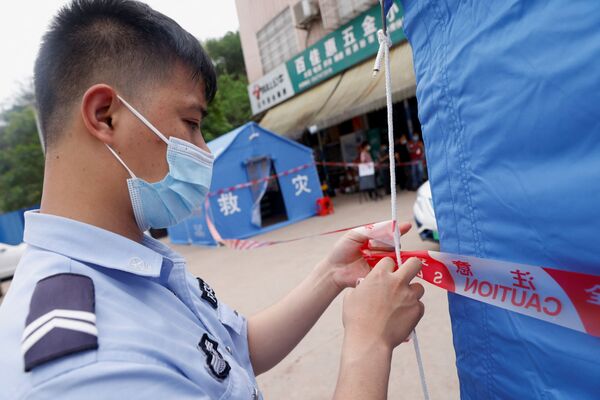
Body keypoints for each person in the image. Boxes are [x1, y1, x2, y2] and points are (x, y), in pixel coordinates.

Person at [0, 1, 425, 399]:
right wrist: (368, 343)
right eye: (191, 122)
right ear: (104, 115)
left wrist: (330, 275)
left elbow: (236, 351)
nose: (204, 152)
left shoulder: (134, 261)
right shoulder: (81, 368)